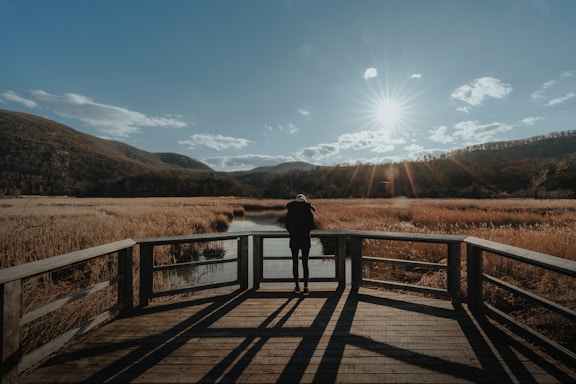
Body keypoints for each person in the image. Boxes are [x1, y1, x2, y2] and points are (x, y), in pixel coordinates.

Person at [285, 193, 316, 295]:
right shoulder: (307, 209)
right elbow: (312, 225)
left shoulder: (291, 209)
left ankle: (297, 287)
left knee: (295, 263)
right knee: (305, 263)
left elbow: (287, 224)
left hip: (294, 239)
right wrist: (305, 231)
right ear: (304, 200)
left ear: (296, 200)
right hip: (305, 240)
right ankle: (306, 287)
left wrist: (293, 232)